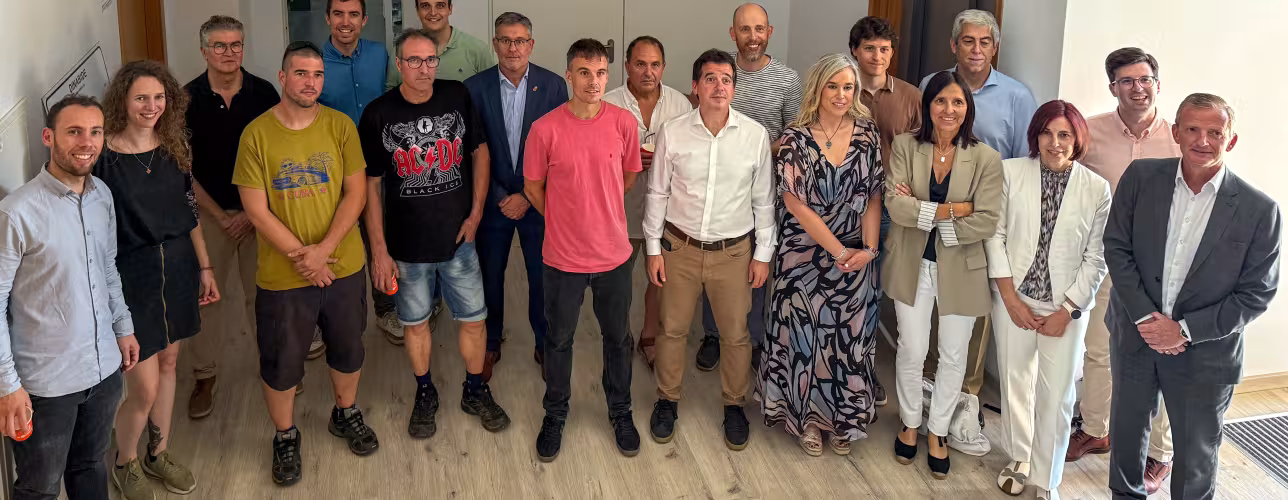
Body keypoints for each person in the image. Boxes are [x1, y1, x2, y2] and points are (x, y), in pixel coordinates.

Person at [1106, 94, 1280, 500]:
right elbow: (1116, 247)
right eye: (1193, 129)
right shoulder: (1140, 178)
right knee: (1127, 439)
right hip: (1135, 337)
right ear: (1175, 132)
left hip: (1206, 352)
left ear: (1231, 140)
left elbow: (1257, 293)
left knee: (1196, 457)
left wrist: (1182, 331)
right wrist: (1147, 319)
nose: (1203, 140)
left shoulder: (1260, 210)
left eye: (1215, 132)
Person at [233, 41, 378, 486]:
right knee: (281, 361)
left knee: (348, 347)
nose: (310, 82)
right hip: (282, 276)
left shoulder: (340, 127)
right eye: (300, 73)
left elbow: (356, 193)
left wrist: (323, 251)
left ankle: (345, 412)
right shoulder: (256, 134)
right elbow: (256, 211)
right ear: (282, 77)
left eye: (317, 74)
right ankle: (284, 434)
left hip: (344, 264)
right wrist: (306, 258)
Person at [360, 29, 510, 440]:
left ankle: (475, 388)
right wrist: (378, 249)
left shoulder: (456, 96)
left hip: (458, 239)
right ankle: (425, 392)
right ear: (399, 64)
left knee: (474, 320)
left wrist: (477, 212)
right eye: (414, 61)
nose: (423, 69)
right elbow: (370, 185)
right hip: (406, 247)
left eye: (430, 60)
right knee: (415, 323)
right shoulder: (378, 114)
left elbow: (480, 151)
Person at [0, 96, 139, 500]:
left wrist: (123, 326)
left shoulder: (102, 197)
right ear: (49, 137)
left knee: (91, 467)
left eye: (95, 132)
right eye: (74, 131)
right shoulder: (17, 212)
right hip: (46, 386)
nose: (87, 142)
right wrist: (8, 385)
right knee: (40, 488)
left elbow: (107, 267)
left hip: (103, 371)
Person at [96, 60, 219, 500]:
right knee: (142, 387)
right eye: (141, 98)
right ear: (123, 103)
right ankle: (125, 461)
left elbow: (190, 215)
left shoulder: (173, 146)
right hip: (132, 279)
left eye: (158, 97)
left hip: (180, 268)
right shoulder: (103, 158)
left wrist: (205, 267)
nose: (151, 106)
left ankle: (158, 453)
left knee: (170, 366)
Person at [643, 49, 771, 452]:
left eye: (726, 79)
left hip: (734, 253)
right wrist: (652, 248)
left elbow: (763, 201)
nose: (719, 86)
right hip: (679, 248)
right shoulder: (674, 132)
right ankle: (667, 399)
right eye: (710, 79)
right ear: (695, 87)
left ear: (735, 87)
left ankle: (734, 404)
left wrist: (763, 254)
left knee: (735, 335)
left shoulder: (754, 135)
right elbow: (657, 192)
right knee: (672, 329)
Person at [757, 53, 882, 456]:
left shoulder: (868, 134)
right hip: (804, 255)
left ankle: (843, 419)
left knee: (848, 339)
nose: (841, 95)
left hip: (857, 254)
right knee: (805, 338)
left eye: (849, 87)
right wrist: (840, 251)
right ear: (818, 88)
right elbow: (795, 204)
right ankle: (807, 420)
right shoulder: (795, 138)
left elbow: (874, 196)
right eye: (833, 86)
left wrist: (868, 249)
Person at [1068, 48, 1180, 494]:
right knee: (1099, 349)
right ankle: (1096, 428)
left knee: (1167, 357)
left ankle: (1160, 453)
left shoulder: (1179, 138)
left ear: (1157, 82)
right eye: (1127, 80)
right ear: (1112, 85)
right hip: (1108, 261)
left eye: (1145, 79)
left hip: (1164, 269)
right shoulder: (1089, 134)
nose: (1138, 88)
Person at [524, 39, 642, 462]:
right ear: (569, 75)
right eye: (584, 72)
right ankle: (555, 414)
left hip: (613, 255)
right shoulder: (545, 129)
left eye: (600, 72)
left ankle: (620, 411)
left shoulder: (623, 123)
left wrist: (599, 208)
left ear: (608, 75)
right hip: (562, 258)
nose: (593, 81)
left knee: (618, 339)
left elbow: (628, 175)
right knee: (558, 340)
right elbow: (533, 188)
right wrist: (564, 217)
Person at [985, 100, 1110, 500]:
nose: (1054, 143)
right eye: (1046, 133)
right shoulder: (1010, 172)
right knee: (1015, 382)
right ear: (1035, 136)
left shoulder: (1096, 188)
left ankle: (1047, 478)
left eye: (1064, 135)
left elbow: (1097, 256)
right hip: (1015, 298)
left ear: (1077, 139)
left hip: (1064, 309)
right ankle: (1020, 457)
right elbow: (995, 235)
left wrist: (1069, 310)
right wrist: (1010, 300)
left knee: (1057, 396)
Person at [885, 70, 1002, 478]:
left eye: (957, 102)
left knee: (954, 356)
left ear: (967, 109)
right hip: (911, 264)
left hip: (963, 268)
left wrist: (927, 212)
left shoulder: (985, 158)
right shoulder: (904, 146)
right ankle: (911, 423)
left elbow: (987, 220)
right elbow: (894, 207)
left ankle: (938, 431)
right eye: (940, 101)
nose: (948, 109)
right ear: (927, 105)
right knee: (913, 349)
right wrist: (956, 209)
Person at [917, 8, 1036, 399]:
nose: (976, 49)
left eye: (985, 42)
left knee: (974, 304)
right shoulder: (931, 84)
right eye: (968, 40)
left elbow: (1024, 163)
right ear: (954, 44)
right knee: (932, 295)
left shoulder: (1017, 96)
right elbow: (921, 143)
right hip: (936, 209)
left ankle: (966, 394)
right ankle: (929, 382)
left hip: (987, 215)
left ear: (995, 47)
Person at [695, 1, 802, 372]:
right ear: (733, 33)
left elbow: (796, 136)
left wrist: (755, 148)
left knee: (757, 266)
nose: (752, 37)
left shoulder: (787, 80)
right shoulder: (719, 73)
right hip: (718, 191)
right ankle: (712, 334)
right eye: (745, 29)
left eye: (759, 29)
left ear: (769, 33)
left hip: (767, 193)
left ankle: (753, 338)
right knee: (714, 260)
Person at [184, 15, 281, 420]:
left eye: (236, 45)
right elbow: (182, 168)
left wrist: (249, 212)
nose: (229, 53)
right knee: (206, 299)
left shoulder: (264, 93)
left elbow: (279, 157)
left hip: (259, 214)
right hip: (209, 216)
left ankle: (274, 368)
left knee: (267, 296)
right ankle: (204, 375)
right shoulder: (184, 100)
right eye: (220, 46)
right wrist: (221, 215)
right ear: (204, 50)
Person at [464, 12, 568, 382]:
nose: (513, 48)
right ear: (494, 44)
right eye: (505, 40)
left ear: (531, 45)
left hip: (538, 202)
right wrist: (498, 195)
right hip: (492, 203)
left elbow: (560, 151)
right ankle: (491, 341)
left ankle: (544, 341)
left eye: (520, 40)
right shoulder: (473, 89)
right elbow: (470, 150)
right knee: (490, 275)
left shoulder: (554, 86)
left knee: (542, 276)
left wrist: (526, 194)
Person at [603, 35, 694, 369]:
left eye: (655, 64)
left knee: (660, 280)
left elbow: (691, 154)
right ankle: (619, 337)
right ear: (627, 65)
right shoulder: (609, 103)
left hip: (667, 212)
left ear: (664, 67)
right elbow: (595, 157)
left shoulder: (680, 105)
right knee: (618, 282)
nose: (647, 71)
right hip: (620, 210)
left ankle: (649, 336)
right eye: (640, 64)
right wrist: (624, 162)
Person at [317, 0, 404, 347]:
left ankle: (386, 309)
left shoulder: (380, 55)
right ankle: (324, 320)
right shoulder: (315, 62)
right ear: (327, 18)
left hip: (377, 165)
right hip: (332, 168)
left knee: (379, 238)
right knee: (333, 239)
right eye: (338, 14)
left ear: (364, 20)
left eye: (353, 14)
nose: (345, 21)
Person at [848, 14, 921, 408]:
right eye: (870, 49)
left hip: (892, 206)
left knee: (877, 291)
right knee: (851, 288)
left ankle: (866, 369)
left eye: (885, 49)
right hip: (846, 205)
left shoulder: (911, 96)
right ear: (855, 51)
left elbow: (924, 150)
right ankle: (846, 364)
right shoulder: (841, 90)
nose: (878, 56)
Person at [416, 0, 496, 81]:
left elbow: (492, 90)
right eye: (425, 6)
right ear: (417, 11)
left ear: (450, 9)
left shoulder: (477, 49)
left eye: (440, 6)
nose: (433, 13)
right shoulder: (404, 48)